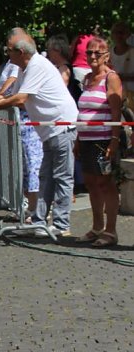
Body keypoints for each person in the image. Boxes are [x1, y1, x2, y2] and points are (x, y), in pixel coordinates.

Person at [0, 28, 78, 237]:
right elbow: (12, 94)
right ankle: (39, 221)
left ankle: (61, 224)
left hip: (60, 126)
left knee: (61, 177)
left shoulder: (36, 66)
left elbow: (20, 99)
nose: (7, 55)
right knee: (45, 177)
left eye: (9, 50)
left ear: (21, 52)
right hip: (49, 129)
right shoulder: (24, 68)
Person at [75, 36, 123, 247]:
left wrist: (114, 141)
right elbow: (82, 111)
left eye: (97, 53)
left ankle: (110, 231)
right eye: (89, 52)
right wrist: (77, 139)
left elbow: (116, 111)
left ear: (106, 56)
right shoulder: (86, 78)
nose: (92, 56)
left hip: (103, 140)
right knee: (91, 183)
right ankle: (96, 227)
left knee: (106, 184)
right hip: (85, 140)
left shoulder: (111, 78)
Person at [110, 22, 134, 111]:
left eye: (122, 33)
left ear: (128, 34)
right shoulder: (108, 53)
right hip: (113, 95)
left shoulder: (132, 52)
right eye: (116, 32)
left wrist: (122, 77)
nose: (119, 36)